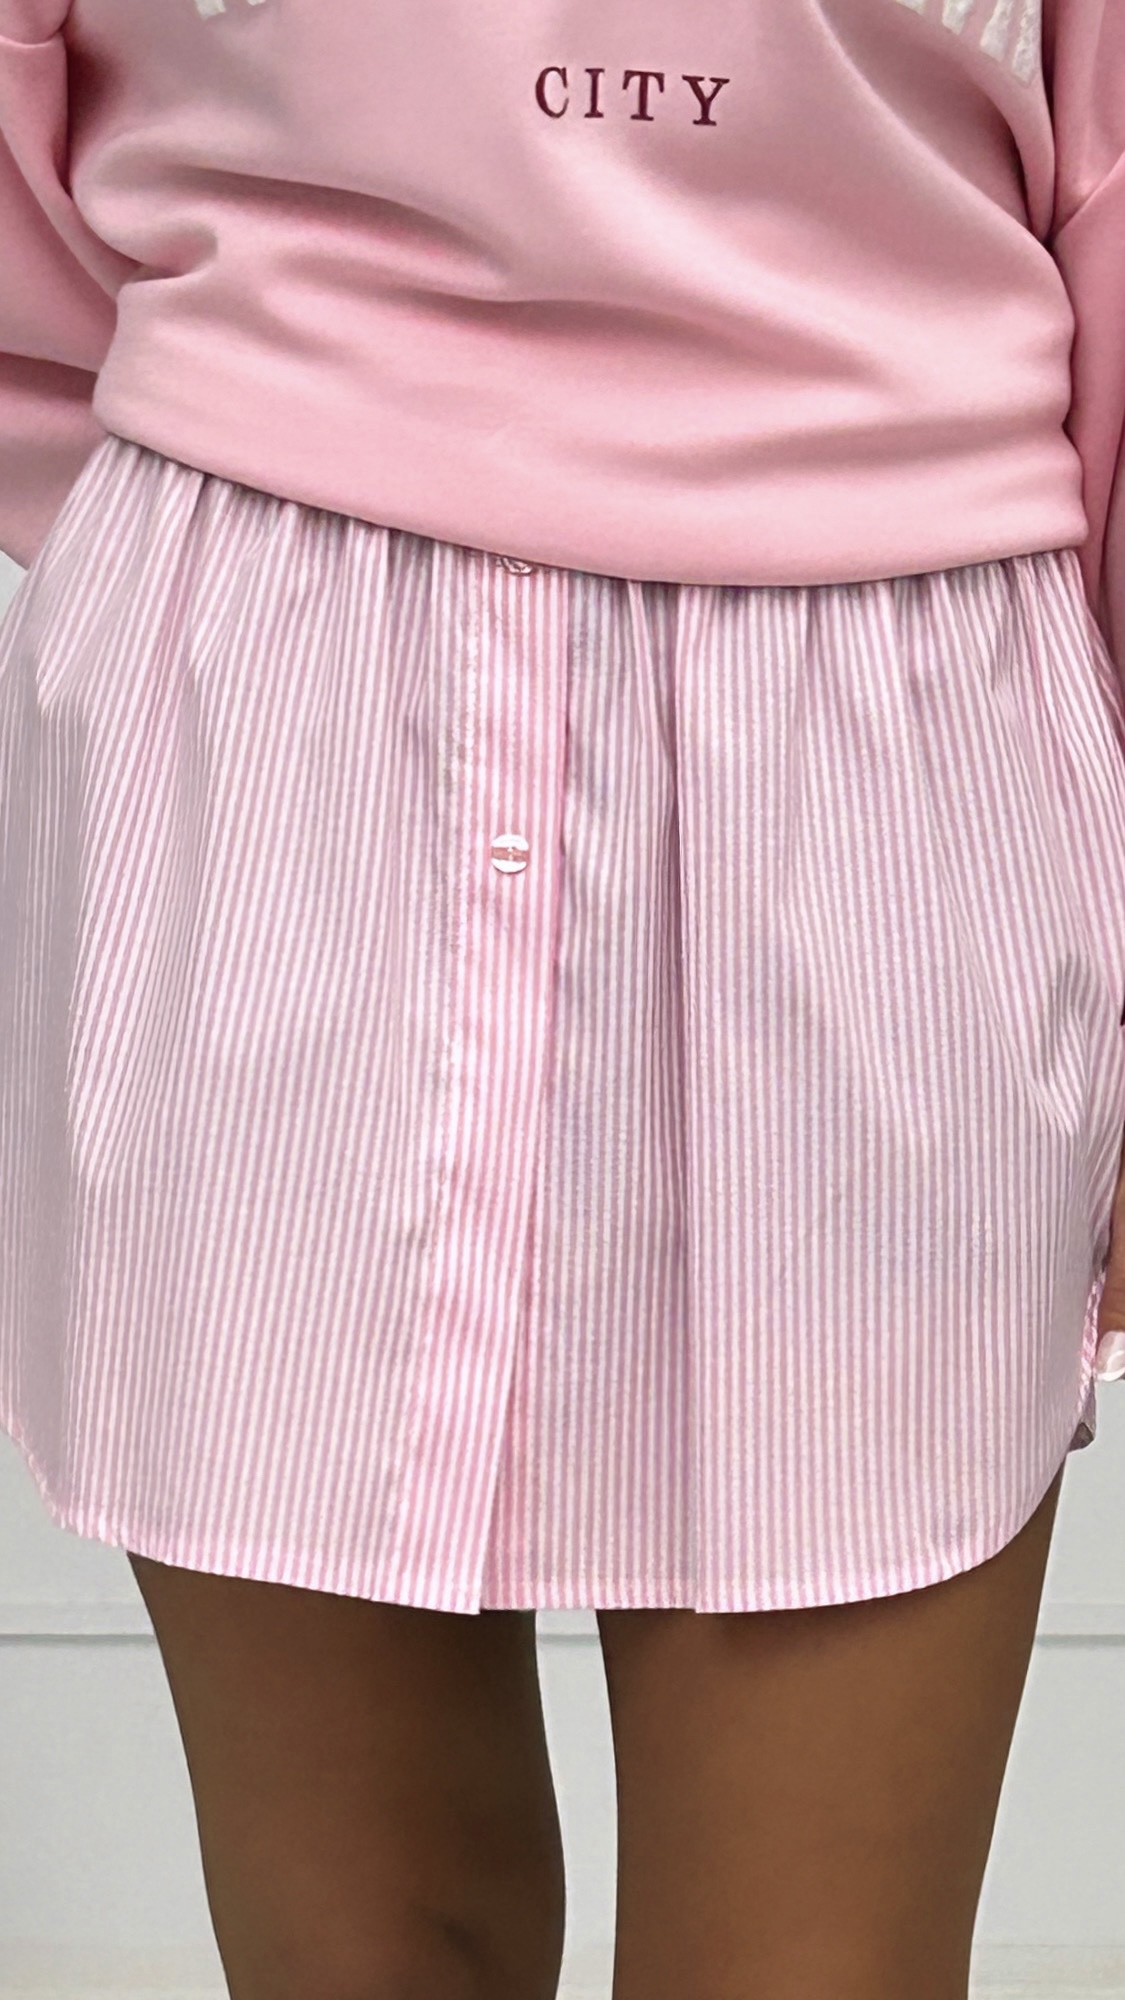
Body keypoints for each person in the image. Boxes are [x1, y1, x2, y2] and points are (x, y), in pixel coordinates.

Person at [2, 2, 1124, 1994]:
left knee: (808, 1970)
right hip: (270, 680)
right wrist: (277, 441)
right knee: (356, 1954)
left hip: (882, 731)